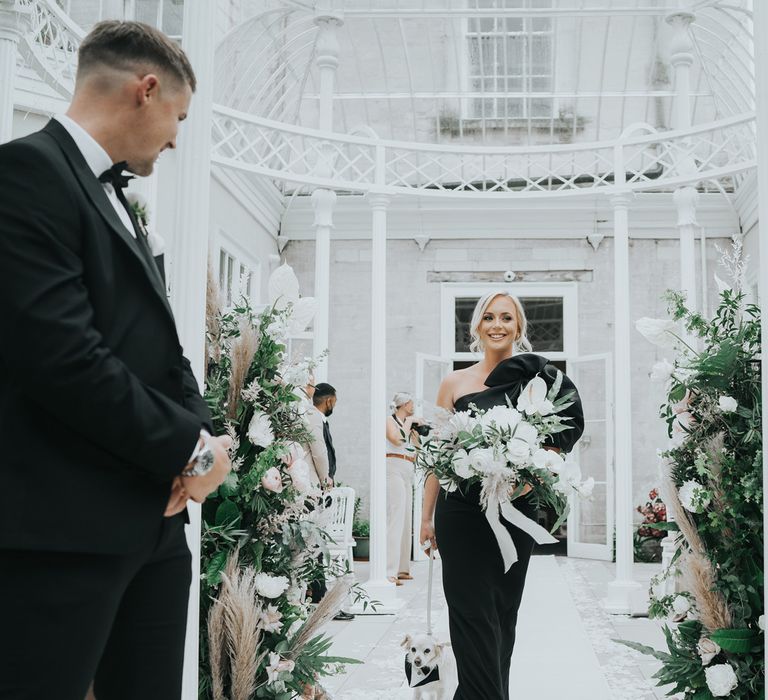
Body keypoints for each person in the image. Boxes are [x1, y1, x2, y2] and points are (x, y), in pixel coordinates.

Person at [0, 21, 233, 700]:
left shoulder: (122, 199)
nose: (175, 138)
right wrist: (186, 452)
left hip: (156, 529)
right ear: (146, 89)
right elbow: (61, 357)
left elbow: (162, 348)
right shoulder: (22, 174)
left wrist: (207, 440)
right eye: (178, 117)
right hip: (64, 533)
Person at [419, 292, 584, 700]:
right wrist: (424, 518)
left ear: (518, 327)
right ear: (476, 327)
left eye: (506, 318)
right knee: (469, 613)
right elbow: (437, 455)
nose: (497, 324)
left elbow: (554, 445)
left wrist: (528, 475)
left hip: (514, 514)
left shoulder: (537, 382)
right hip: (459, 513)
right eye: (489, 317)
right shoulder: (453, 383)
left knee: (501, 615)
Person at [385, 392, 421, 585]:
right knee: (396, 516)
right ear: (405, 404)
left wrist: (417, 429)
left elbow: (417, 446)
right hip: (393, 467)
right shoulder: (390, 421)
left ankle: (402, 568)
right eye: (412, 403)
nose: (414, 406)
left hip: (407, 468)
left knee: (406, 517)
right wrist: (409, 423)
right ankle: (389, 570)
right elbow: (396, 440)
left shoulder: (409, 425)